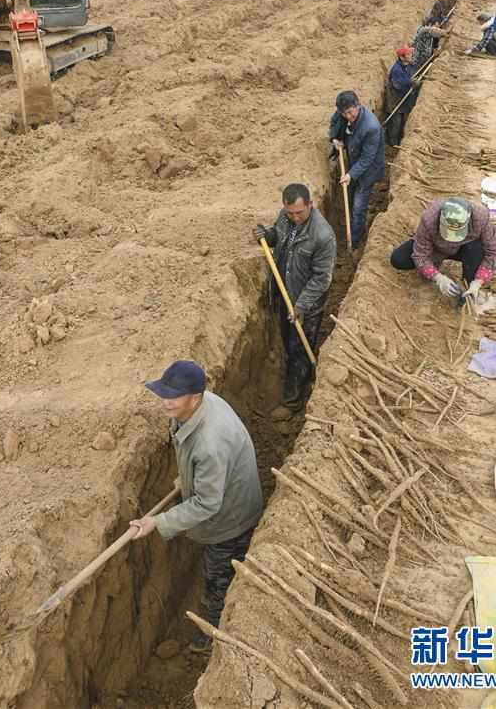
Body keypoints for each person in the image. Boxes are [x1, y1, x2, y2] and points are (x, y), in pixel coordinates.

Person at [129, 360, 263, 653]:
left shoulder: (209, 444)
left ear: (195, 397)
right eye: (164, 394)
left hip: (231, 519)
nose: (165, 402)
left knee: (218, 579)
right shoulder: (197, 406)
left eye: (172, 396)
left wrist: (157, 522)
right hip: (226, 489)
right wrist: (185, 479)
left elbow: (207, 503)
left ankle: (214, 632)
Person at [254, 184, 336, 415]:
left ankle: (293, 401)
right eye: (290, 212)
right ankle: (296, 374)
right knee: (289, 343)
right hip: (284, 293)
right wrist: (267, 235)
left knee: (299, 349)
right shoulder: (285, 217)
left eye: (299, 212)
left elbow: (322, 279)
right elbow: (279, 240)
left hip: (306, 304)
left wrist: (301, 305)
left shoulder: (322, 235)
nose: (295, 217)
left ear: (310, 204)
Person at [390, 197, 496, 302]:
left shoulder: (481, 217)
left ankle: (468, 286)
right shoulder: (429, 218)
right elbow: (420, 255)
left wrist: (478, 281)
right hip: (436, 248)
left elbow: (493, 252)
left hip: (463, 249)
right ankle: (435, 264)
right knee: (398, 259)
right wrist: (438, 277)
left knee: (476, 247)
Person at [329, 91, 385, 248]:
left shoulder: (371, 127)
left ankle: (354, 241)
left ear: (358, 105)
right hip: (354, 161)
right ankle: (351, 218)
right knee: (352, 193)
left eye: (350, 112)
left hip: (368, 170)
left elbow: (367, 159)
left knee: (359, 206)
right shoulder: (342, 112)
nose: (347, 116)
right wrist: (334, 139)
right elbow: (334, 122)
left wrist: (350, 174)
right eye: (344, 113)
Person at [386, 45, 421, 146]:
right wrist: (411, 82)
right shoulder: (397, 70)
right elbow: (398, 85)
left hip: (405, 99)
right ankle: (392, 145)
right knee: (395, 124)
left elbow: (413, 73)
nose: (411, 55)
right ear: (402, 57)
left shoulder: (409, 65)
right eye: (409, 54)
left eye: (410, 53)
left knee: (403, 123)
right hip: (395, 101)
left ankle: (401, 140)